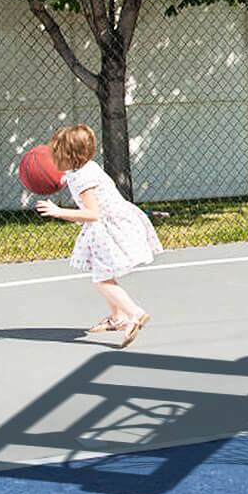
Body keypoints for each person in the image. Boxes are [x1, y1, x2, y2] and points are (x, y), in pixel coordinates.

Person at [38, 123, 162, 345]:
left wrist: (57, 212)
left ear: (69, 155)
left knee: (101, 279)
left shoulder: (82, 180)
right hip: (114, 222)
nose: (52, 156)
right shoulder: (86, 167)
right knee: (104, 271)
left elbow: (92, 213)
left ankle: (134, 313)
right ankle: (117, 317)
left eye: (55, 152)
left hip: (111, 227)